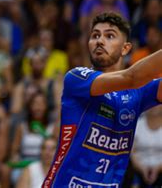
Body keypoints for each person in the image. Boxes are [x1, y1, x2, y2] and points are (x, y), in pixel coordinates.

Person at [43, 12, 162, 187]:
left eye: (110, 36)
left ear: (125, 48)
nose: (99, 40)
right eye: (95, 35)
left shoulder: (137, 92)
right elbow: (131, 77)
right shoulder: (77, 78)